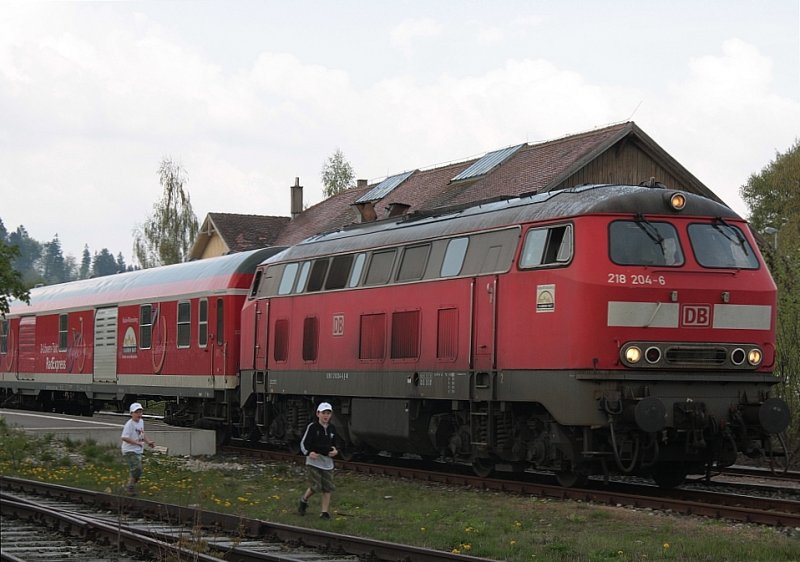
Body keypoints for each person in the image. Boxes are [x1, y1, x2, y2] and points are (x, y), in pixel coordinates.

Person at [298, 401, 338, 519]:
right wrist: (308, 453)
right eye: (323, 413)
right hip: (314, 462)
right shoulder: (312, 427)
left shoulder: (332, 429)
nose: (326, 416)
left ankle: (324, 512)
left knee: (327, 488)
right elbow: (304, 443)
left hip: (327, 463)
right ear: (318, 414)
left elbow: (335, 445)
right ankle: (304, 500)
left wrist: (336, 451)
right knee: (316, 486)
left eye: (328, 413)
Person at [120, 402, 155, 496]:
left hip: (138, 450)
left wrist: (149, 442)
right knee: (137, 468)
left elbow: (142, 434)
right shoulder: (129, 424)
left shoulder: (141, 422)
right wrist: (136, 443)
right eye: (136, 412)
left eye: (140, 412)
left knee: (137, 472)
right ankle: (129, 487)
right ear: (131, 413)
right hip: (129, 450)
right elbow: (124, 437)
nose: (139, 414)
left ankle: (129, 487)